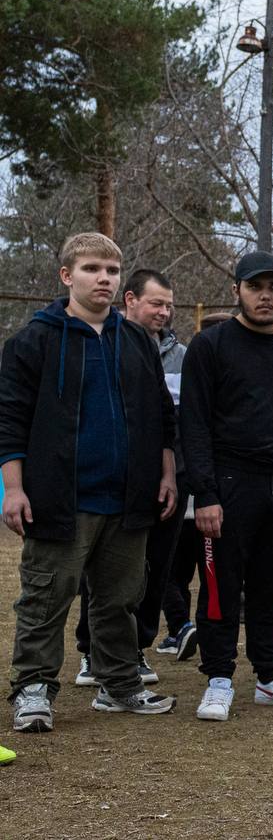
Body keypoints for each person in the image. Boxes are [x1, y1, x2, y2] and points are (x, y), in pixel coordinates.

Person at [1, 232, 178, 732]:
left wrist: (165, 474)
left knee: (120, 599)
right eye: (92, 269)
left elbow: (162, 417)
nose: (104, 278)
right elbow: (9, 420)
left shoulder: (137, 343)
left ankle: (119, 686)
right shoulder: (34, 341)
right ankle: (34, 688)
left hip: (128, 500)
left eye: (112, 271)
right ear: (67, 276)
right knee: (45, 598)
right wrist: (14, 489)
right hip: (59, 500)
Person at [181, 252, 273, 721]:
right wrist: (204, 493)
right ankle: (218, 680)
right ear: (237, 291)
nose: (266, 295)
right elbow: (194, 424)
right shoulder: (211, 346)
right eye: (255, 286)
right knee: (221, 587)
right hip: (228, 486)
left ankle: (271, 677)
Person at [74, 269, 187, 688]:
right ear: (131, 300)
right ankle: (92, 652)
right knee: (103, 572)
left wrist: (173, 472)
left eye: (169, 305)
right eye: (157, 303)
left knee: (155, 569)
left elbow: (175, 421)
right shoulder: (104, 345)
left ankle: (136, 649)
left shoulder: (182, 356)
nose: (164, 311)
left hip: (169, 477)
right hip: (115, 480)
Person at [158, 312, 232, 659]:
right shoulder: (192, 378)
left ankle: (188, 629)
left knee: (195, 573)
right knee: (175, 571)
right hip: (187, 494)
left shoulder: (222, 382)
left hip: (207, 499)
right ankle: (182, 629)